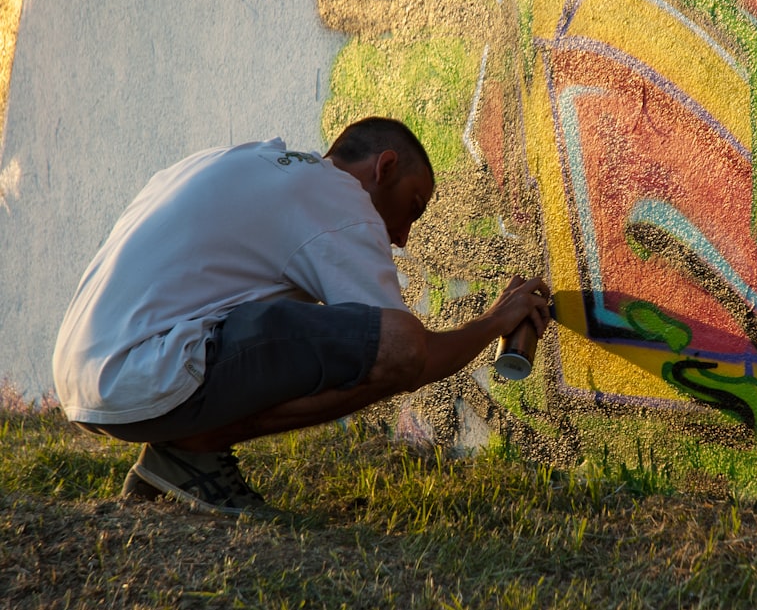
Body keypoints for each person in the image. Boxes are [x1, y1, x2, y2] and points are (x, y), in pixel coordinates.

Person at [51, 117, 551, 517]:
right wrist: (494, 323)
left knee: (305, 325)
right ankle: (192, 449)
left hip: (85, 376)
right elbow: (407, 353)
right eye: (412, 208)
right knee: (394, 344)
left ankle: (185, 448)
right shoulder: (338, 197)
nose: (402, 237)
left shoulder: (251, 162)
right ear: (385, 168)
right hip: (144, 373)